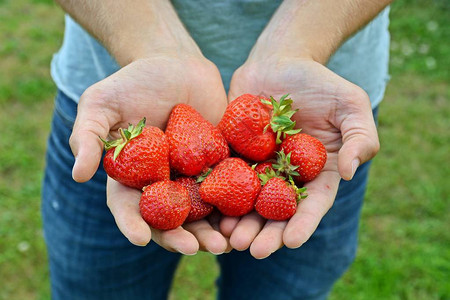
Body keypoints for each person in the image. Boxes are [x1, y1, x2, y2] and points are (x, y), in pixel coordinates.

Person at [42, 0, 391, 299]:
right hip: (125, 102)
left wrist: (297, 49)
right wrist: (155, 49)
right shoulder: (144, 146)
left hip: (317, 112)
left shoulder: (292, 144)